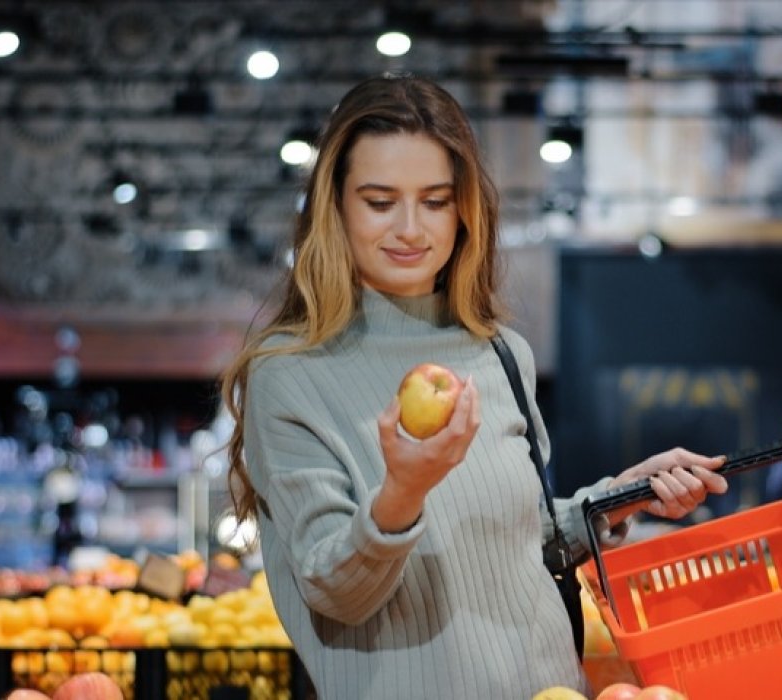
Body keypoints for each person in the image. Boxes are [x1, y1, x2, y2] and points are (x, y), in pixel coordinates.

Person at [219, 74, 729, 699]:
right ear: (337, 208)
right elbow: (335, 591)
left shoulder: (498, 352)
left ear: (465, 210)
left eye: (435, 201)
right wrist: (403, 490)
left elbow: (518, 545)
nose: (410, 228)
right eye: (380, 202)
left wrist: (620, 496)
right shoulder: (290, 374)